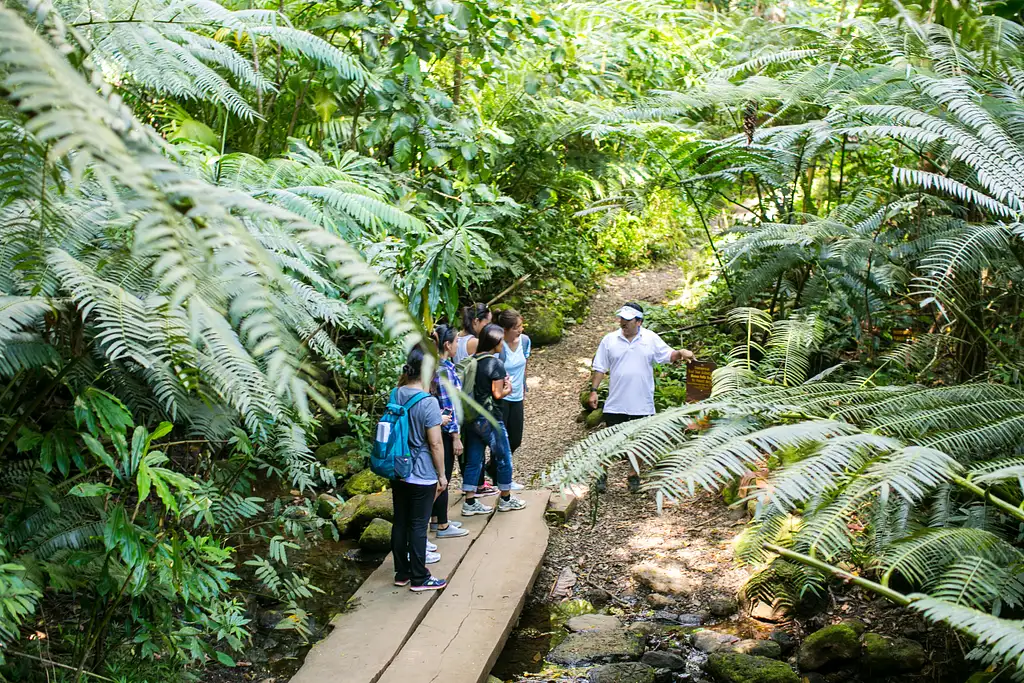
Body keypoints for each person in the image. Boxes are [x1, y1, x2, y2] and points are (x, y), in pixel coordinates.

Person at [586, 301, 695, 493]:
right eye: (621, 318)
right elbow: (600, 367)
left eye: (628, 319)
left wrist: (681, 353)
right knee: (609, 441)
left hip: (642, 403)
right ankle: (602, 474)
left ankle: (633, 475)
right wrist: (594, 390)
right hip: (616, 402)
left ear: (639, 321)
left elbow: (667, 355)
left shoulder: (650, 338)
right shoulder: (609, 340)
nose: (623, 323)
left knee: (639, 443)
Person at [390, 346, 448, 592]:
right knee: (418, 524)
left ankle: (402, 573)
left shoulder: (395, 393)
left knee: (400, 521)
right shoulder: (428, 402)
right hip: (421, 472)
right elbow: (435, 443)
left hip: (397, 468)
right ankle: (420, 577)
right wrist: (442, 475)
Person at [461, 324, 528, 515]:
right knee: (504, 456)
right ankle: (506, 498)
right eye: (500, 341)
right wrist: (509, 388)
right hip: (490, 418)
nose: (502, 344)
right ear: (494, 342)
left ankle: (470, 501)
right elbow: (498, 393)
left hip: (472, 417)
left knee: (474, 459)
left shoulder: (473, 360)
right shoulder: (495, 363)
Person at [428, 324, 470, 539]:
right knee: (443, 475)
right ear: (447, 344)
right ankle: (442, 524)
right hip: (444, 431)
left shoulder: (439, 366)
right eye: (455, 342)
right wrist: (456, 437)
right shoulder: (443, 370)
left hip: (438, 429)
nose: (457, 346)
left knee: (440, 473)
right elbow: (449, 405)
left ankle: (436, 520)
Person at [495, 309, 530, 491]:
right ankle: (503, 478)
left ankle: (492, 470)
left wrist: (524, 387)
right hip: (502, 397)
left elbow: (525, 364)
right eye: (516, 327)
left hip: (517, 396)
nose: (520, 330)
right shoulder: (499, 346)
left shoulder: (524, 341)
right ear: (505, 329)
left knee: (515, 439)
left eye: (521, 326)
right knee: (502, 439)